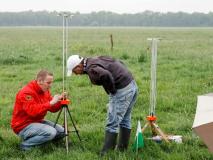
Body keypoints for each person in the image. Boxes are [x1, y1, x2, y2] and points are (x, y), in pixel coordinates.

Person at [67, 55, 138, 155]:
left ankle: (106, 153)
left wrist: (112, 92)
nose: (76, 74)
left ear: (78, 66)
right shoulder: (94, 59)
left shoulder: (91, 69)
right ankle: (122, 149)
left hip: (122, 90)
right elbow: (117, 61)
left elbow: (105, 75)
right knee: (125, 119)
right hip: (131, 84)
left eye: (74, 72)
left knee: (112, 122)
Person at [11, 69, 66, 150]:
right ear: (40, 81)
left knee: (62, 131)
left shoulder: (45, 91)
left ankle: (45, 142)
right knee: (51, 132)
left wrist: (60, 102)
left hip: (36, 121)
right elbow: (33, 112)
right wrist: (51, 102)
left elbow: (52, 109)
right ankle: (25, 146)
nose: (50, 85)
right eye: (48, 83)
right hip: (22, 126)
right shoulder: (26, 93)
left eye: (51, 82)